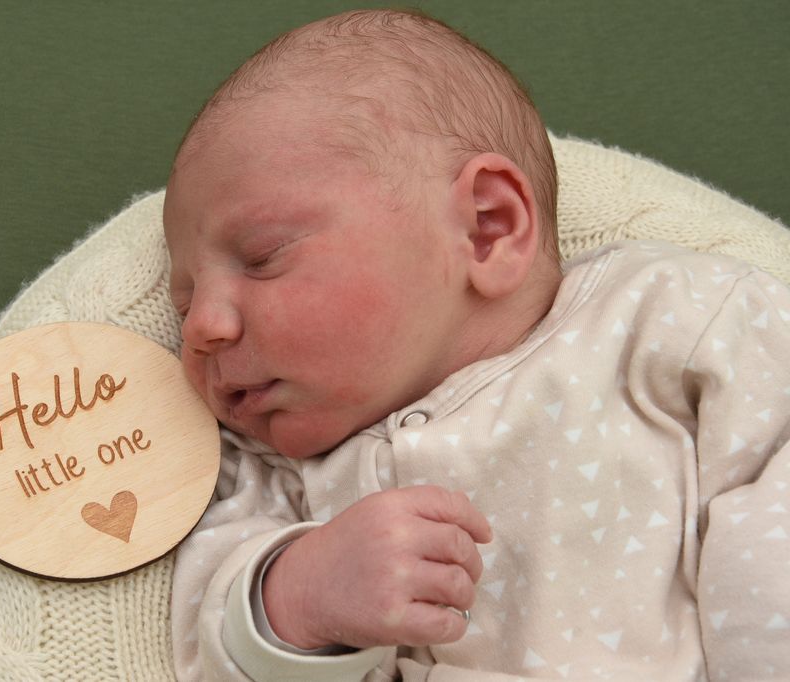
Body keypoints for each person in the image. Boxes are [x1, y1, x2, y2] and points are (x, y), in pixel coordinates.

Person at [163, 9, 790, 681]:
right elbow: (206, 649)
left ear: (487, 227)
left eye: (262, 257)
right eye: (184, 302)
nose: (202, 328)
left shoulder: (670, 319)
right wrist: (299, 600)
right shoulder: (263, 477)